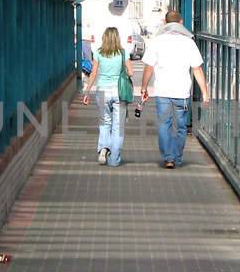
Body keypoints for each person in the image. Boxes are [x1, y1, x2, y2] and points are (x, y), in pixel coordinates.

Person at [140, 10, 208, 168]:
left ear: (165, 23)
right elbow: (197, 69)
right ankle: (177, 157)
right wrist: (205, 92)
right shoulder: (189, 43)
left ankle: (168, 158)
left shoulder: (157, 41)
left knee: (164, 124)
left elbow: (149, 68)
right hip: (182, 92)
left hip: (162, 91)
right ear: (181, 22)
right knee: (181, 126)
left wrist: (144, 87)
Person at [82, 26, 127, 166]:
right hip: (118, 91)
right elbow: (131, 72)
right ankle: (114, 160)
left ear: (104, 38)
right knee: (117, 126)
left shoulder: (99, 53)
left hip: (102, 91)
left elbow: (93, 73)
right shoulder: (122, 53)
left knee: (105, 123)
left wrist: (87, 91)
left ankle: (103, 149)